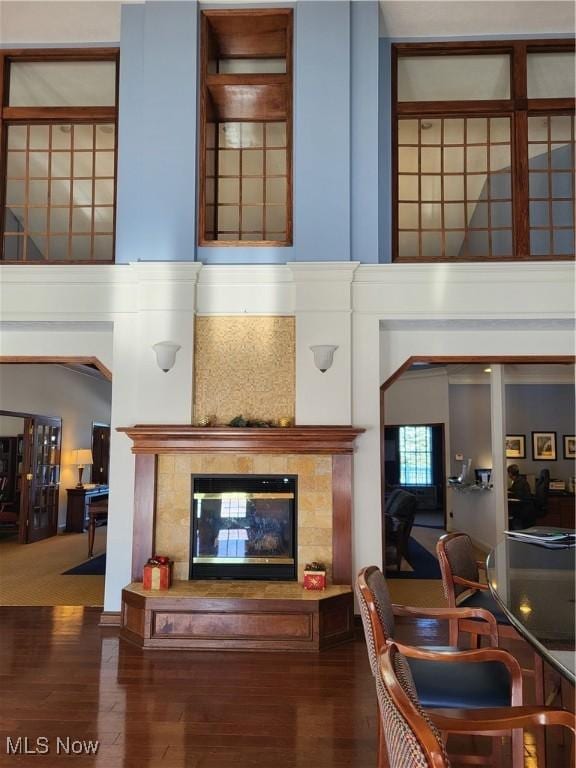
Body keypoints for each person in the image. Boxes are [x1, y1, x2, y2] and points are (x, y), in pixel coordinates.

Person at [507, 464, 536, 529]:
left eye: (508, 473)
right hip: (526, 507)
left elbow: (518, 498)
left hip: (524, 509)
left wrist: (508, 500)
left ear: (510, 473)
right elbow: (513, 490)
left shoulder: (519, 483)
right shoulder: (519, 480)